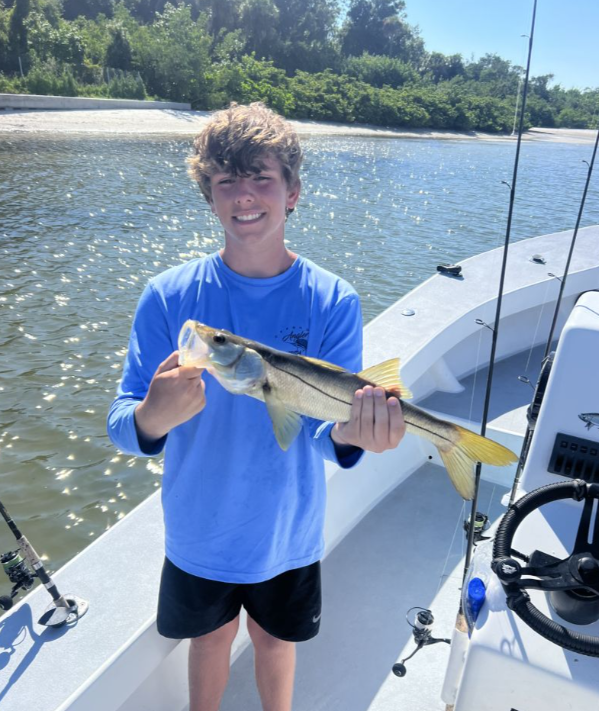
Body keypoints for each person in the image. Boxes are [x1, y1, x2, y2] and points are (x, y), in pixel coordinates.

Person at [107, 102, 406, 711]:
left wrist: (356, 437)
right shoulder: (169, 297)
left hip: (287, 528)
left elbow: (324, 435)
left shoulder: (332, 300)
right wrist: (152, 418)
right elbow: (121, 421)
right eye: (226, 181)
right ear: (209, 196)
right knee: (210, 640)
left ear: (292, 191)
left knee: (274, 642)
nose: (245, 196)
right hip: (198, 527)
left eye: (261, 178)